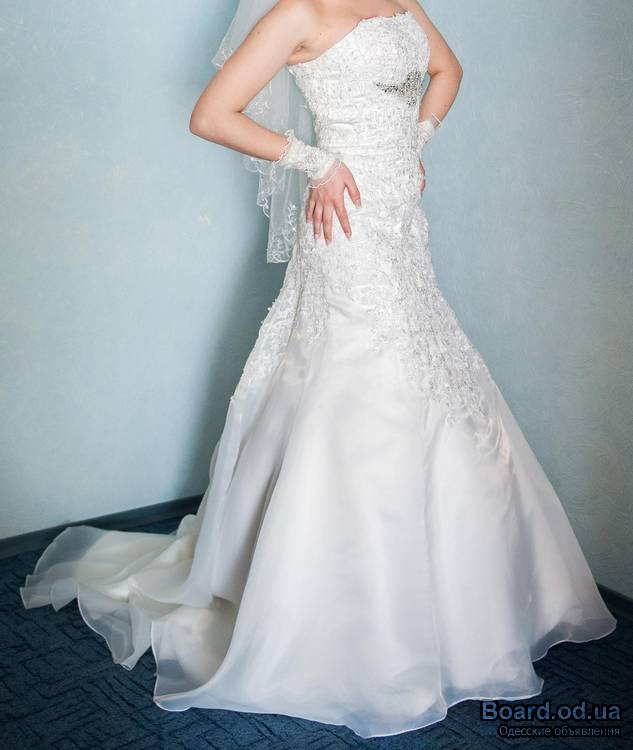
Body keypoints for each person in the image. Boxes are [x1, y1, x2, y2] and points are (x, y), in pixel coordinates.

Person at [20, 0, 617, 739]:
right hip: (344, 224)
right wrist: (317, 162)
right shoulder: (297, 11)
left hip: (400, 217)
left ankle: (460, 602)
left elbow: (448, 70)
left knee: (430, 374)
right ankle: (344, 612)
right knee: (359, 381)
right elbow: (211, 115)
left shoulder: (399, 2)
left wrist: (416, 138)